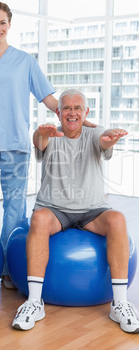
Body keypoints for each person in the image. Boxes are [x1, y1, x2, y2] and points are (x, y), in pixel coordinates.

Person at [0, 1, 95, 287]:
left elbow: (48, 98)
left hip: (16, 144)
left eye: (2, 23)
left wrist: (72, 116)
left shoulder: (25, 60)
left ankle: (10, 269)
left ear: (10, 24)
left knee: (15, 210)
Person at [12, 88, 139, 334]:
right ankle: (34, 302)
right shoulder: (50, 133)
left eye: (77, 108)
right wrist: (40, 133)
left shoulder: (95, 133)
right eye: (67, 108)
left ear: (86, 112)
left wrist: (110, 137)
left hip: (92, 209)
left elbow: (103, 139)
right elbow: (39, 142)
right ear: (58, 112)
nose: (72, 112)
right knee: (38, 218)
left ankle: (120, 304)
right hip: (54, 209)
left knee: (118, 219)